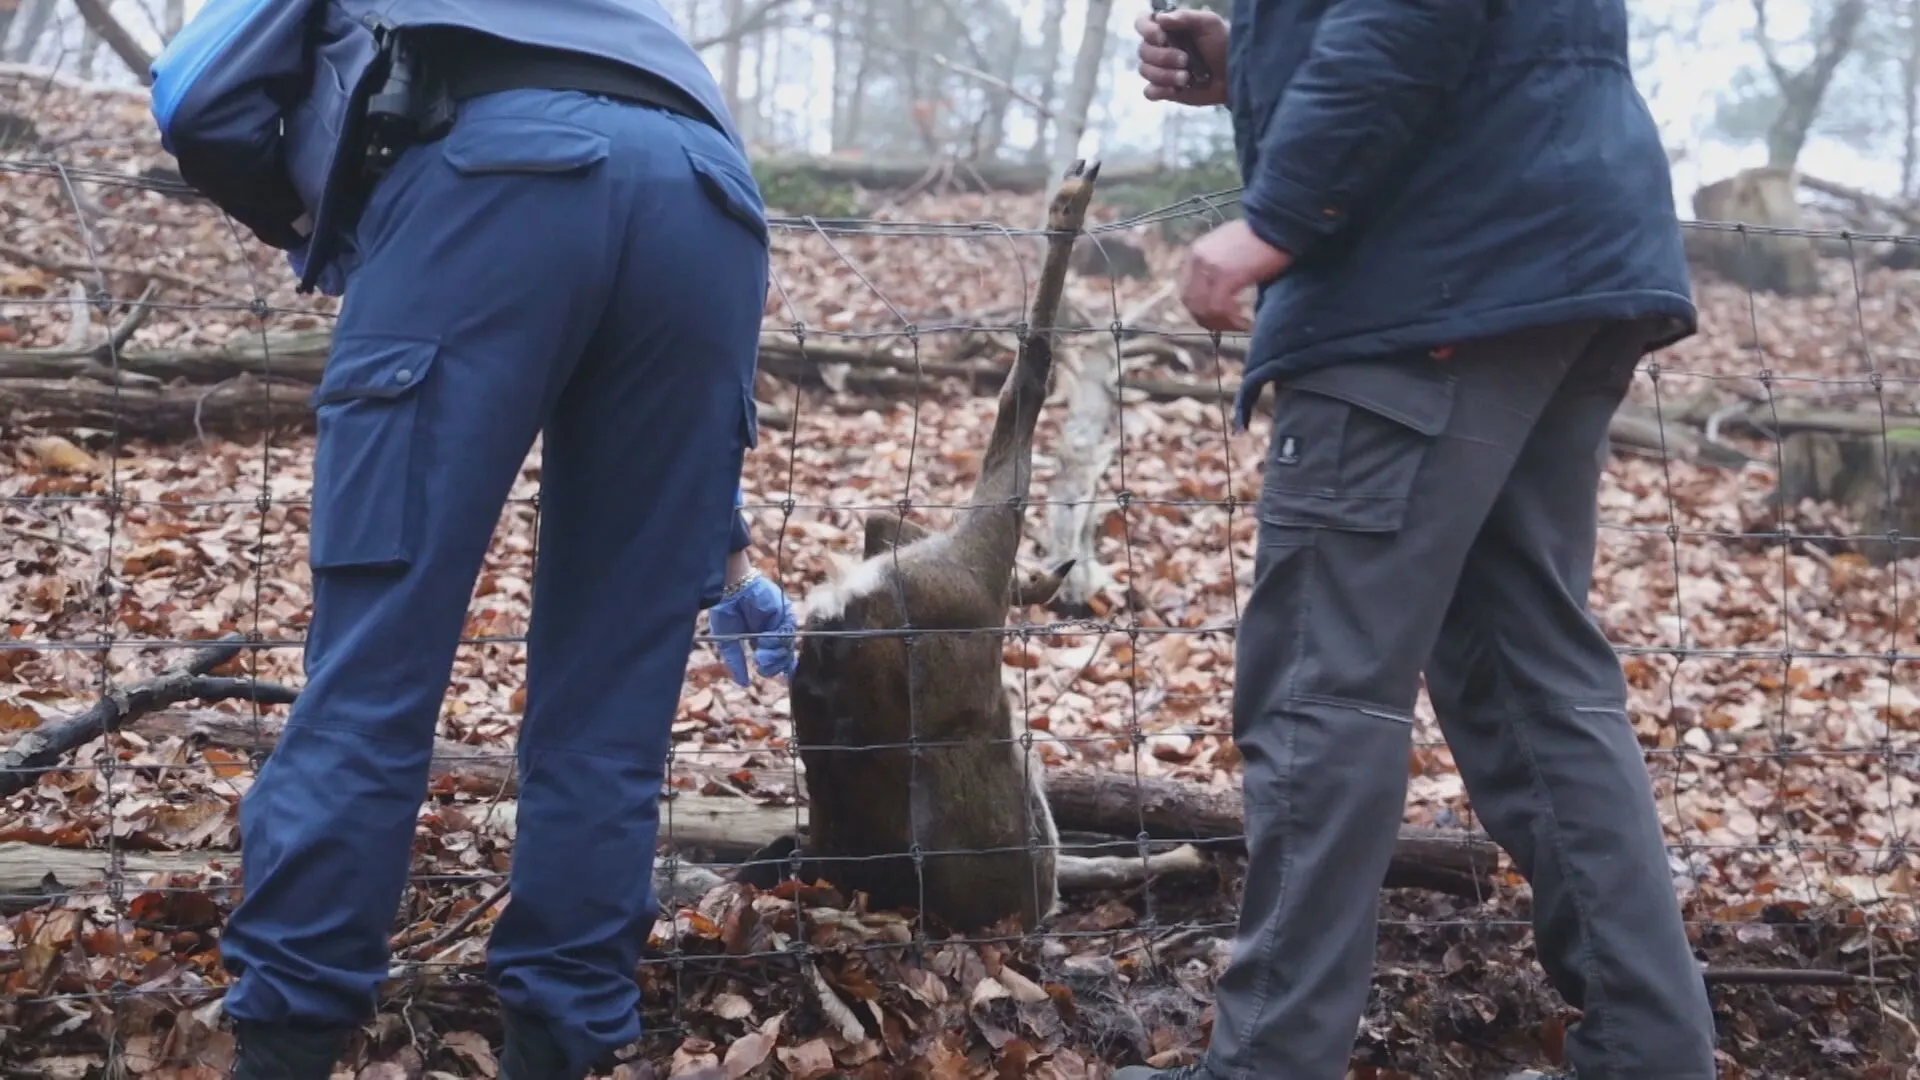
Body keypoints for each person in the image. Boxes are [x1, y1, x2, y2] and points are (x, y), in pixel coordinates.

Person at [148, 5, 797, 1079]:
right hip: (709, 201)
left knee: (376, 661)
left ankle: (289, 1043)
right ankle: (564, 1044)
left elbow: (200, 94)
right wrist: (722, 548)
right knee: (615, 699)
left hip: (485, 178)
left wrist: (330, 220)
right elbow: (633, 171)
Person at [1119, 3, 1718, 1079]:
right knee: (1532, 678)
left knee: (1320, 688)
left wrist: (1276, 218)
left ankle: (1269, 1064)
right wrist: (1256, 58)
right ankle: (1651, 1053)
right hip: (1560, 251)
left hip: (1426, 272)